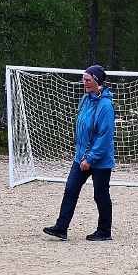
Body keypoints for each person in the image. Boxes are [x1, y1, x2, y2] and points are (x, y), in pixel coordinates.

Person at [43, 64, 115, 241]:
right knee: (70, 189)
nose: (84, 82)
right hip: (81, 157)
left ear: (97, 81)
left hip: (99, 159)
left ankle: (104, 231)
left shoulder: (106, 106)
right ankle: (61, 227)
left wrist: (91, 158)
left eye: (88, 80)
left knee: (101, 195)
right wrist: (80, 153)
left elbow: (105, 136)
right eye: (83, 79)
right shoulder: (84, 100)